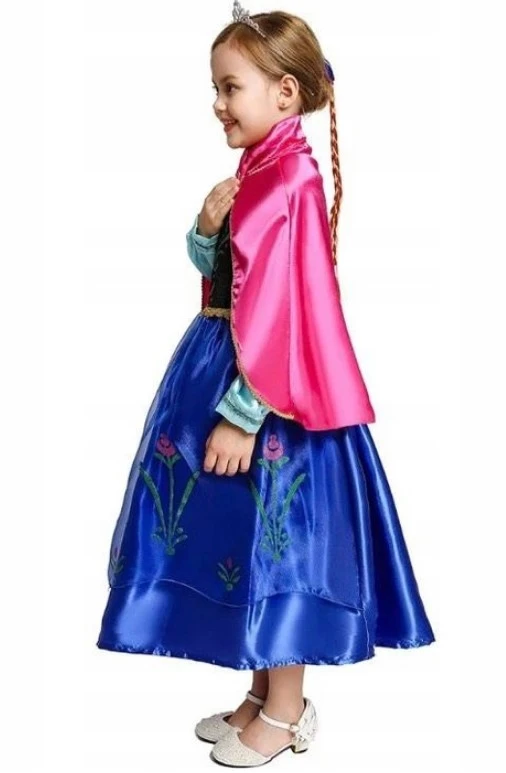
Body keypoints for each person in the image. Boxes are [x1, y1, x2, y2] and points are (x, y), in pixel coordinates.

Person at [96, 1, 436, 766]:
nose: (217, 104)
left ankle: (287, 709)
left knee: (283, 543)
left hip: (273, 396)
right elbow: (229, 271)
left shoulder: (291, 177)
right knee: (245, 537)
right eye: (214, 88)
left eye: (230, 87)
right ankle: (259, 690)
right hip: (221, 359)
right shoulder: (258, 168)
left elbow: (285, 304)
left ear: (285, 93)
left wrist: (244, 413)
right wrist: (204, 228)